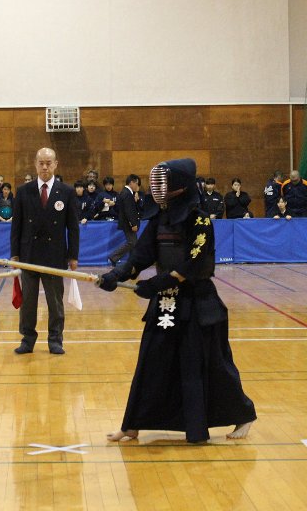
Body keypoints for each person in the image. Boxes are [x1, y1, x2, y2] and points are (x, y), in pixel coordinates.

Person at [97, 158, 255, 443]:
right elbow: (140, 256)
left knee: (210, 364)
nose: (158, 189)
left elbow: (193, 264)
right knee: (151, 361)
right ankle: (132, 424)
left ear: (179, 186)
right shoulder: (160, 218)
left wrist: (157, 283)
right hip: (166, 303)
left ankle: (243, 414)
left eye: (164, 182)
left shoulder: (200, 220)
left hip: (198, 303)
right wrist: (115, 275)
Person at [10, 147, 79, 355]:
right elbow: (16, 226)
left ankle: (55, 340)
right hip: (29, 255)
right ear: (35, 164)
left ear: (56, 164)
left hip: (55, 255)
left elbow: (73, 227)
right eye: (41, 163)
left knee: (55, 303)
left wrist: (73, 255)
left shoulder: (66, 192)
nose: (45, 167)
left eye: (49, 163)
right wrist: (14, 254)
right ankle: (27, 339)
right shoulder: (24, 191)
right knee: (28, 302)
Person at [108, 174, 141, 267]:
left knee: (133, 242)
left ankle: (132, 261)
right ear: (131, 182)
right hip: (128, 223)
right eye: (136, 183)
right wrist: (133, 224)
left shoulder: (125, 192)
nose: (137, 186)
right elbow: (128, 210)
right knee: (132, 242)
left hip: (127, 222)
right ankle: (113, 257)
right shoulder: (127, 193)